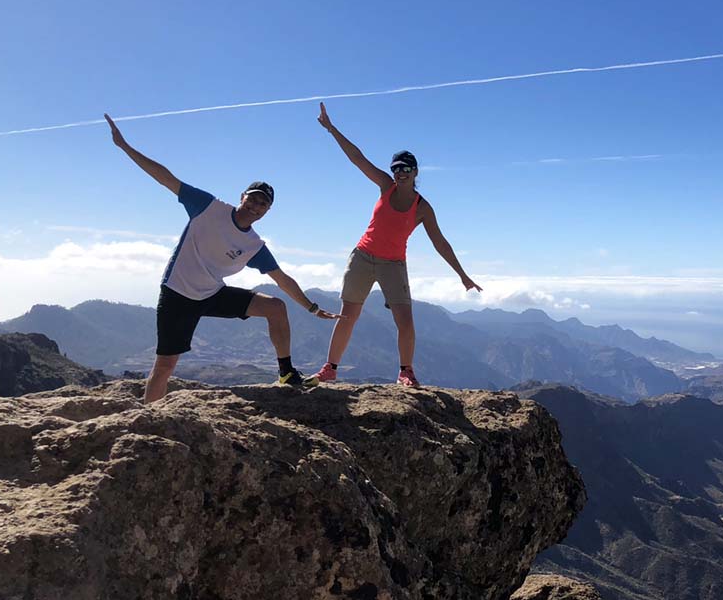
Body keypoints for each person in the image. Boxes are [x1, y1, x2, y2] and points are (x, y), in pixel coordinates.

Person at [104, 114, 338, 403]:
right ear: (242, 196)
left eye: (263, 203)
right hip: (177, 294)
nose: (256, 205)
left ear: (267, 211)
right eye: (253, 198)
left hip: (212, 294)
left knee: (276, 307)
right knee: (165, 366)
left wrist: (312, 308)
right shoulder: (208, 207)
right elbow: (165, 178)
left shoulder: (254, 245)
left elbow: (282, 279)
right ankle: (146, 419)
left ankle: (287, 372)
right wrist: (125, 146)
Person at [311, 102, 481, 386]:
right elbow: (357, 158)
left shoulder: (422, 207)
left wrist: (462, 275)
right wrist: (331, 129)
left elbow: (441, 242)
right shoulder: (384, 186)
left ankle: (406, 371)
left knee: (405, 321)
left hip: (393, 264)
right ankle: (330, 369)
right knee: (348, 315)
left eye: (405, 169)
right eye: (396, 168)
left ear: (415, 173)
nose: (399, 172)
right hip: (363, 257)